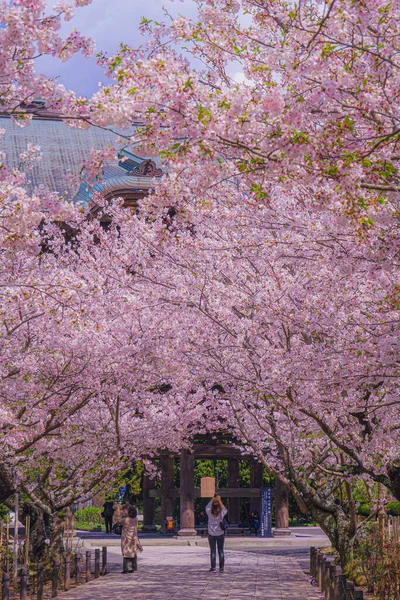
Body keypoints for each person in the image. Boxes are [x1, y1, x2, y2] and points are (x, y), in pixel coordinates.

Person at [205, 494, 227, 573]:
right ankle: (221, 568)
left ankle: (213, 567)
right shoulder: (221, 513)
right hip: (220, 533)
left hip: (211, 533)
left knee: (213, 551)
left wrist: (212, 499)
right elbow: (225, 509)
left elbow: (207, 507)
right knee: (221, 551)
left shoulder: (209, 512)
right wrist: (219, 500)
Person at [118, 504, 142, 573]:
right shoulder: (135, 520)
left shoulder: (125, 520)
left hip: (126, 538)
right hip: (133, 538)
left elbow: (118, 521)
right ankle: (132, 568)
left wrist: (122, 515)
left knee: (126, 554)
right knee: (132, 553)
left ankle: (126, 569)